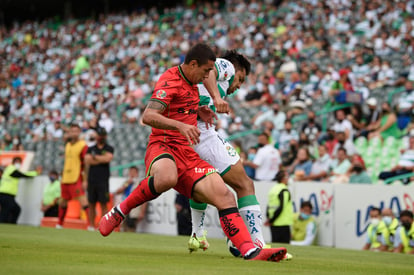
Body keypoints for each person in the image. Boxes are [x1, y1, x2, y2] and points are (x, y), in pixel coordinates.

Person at [98, 43, 287, 262]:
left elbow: (185, 104)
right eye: (206, 71)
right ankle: (120, 211)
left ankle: (250, 250)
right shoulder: (170, 81)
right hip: (164, 144)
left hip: (188, 151)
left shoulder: (193, 83)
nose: (209, 76)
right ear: (194, 65)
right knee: (167, 178)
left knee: (224, 194)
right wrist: (181, 125)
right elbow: (148, 116)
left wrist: (200, 110)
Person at [188, 50, 268, 252]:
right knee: (244, 184)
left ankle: (197, 235)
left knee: (199, 186)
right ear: (237, 70)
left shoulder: (195, 78)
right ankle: (257, 243)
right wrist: (216, 97)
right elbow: (212, 69)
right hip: (203, 136)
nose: (239, 85)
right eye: (241, 79)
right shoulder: (228, 66)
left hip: (187, 135)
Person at [57, 123, 89, 228]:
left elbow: (86, 163)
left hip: (77, 177)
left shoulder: (83, 145)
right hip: (66, 177)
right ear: (69, 132)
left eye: (76, 131)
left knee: (83, 201)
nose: (74, 133)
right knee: (62, 202)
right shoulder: (67, 145)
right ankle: (60, 224)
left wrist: (85, 179)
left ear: (79, 132)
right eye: (72, 131)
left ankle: (91, 224)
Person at [84, 127, 114, 231]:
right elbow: (87, 161)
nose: (100, 137)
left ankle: (103, 226)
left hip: (103, 180)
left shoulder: (109, 148)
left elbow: (108, 158)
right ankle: (91, 226)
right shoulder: (90, 148)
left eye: (102, 135)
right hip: (92, 180)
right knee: (91, 203)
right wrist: (101, 159)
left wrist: (95, 158)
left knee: (103, 204)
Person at [0, 157, 41, 223]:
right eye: (17, 162)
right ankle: (7, 224)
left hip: (7, 194)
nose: (18, 163)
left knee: (13, 210)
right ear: (14, 162)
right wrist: (35, 173)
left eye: (19, 162)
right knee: (9, 210)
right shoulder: (11, 168)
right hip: (6, 194)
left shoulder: (11, 169)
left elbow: (20, 174)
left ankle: (9, 224)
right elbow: (21, 175)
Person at [114, 166, 148, 232]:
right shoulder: (126, 183)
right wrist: (127, 184)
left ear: (137, 173)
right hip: (124, 207)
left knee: (131, 226)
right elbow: (118, 191)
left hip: (134, 208)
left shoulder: (140, 183)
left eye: (134, 172)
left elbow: (145, 198)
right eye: (131, 172)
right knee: (123, 226)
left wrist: (142, 211)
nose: (132, 174)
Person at [265, 170, 293, 243]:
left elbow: (269, 205)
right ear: (283, 178)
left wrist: (269, 219)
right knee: (284, 245)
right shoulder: (284, 190)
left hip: (273, 222)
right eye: (287, 177)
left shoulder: (273, 189)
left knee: (275, 244)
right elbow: (281, 207)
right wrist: (272, 220)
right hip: (282, 222)